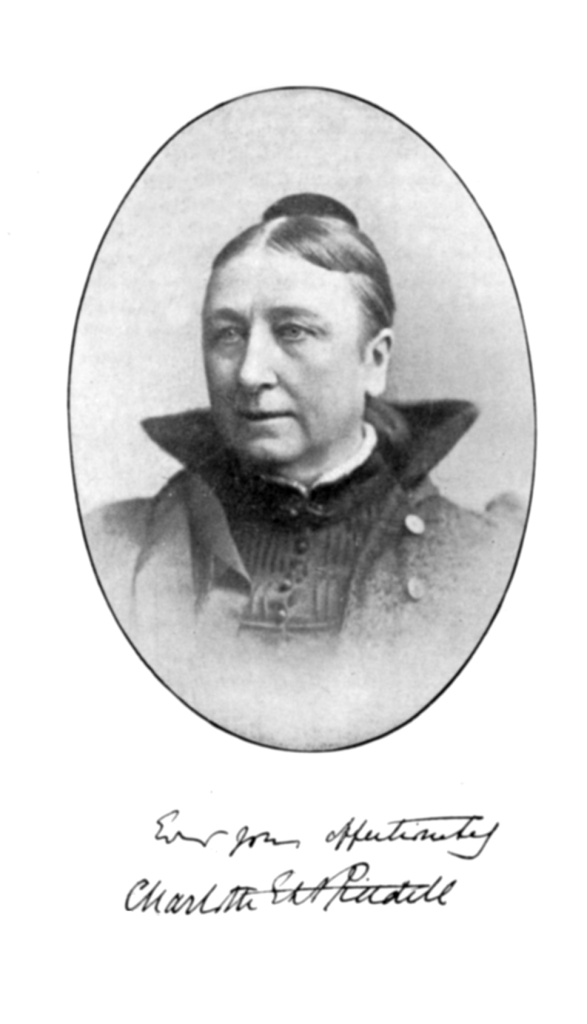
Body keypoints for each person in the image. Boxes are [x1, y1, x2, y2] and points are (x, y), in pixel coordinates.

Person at [85, 193, 524, 750]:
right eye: (227, 334)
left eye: (293, 331)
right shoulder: (114, 554)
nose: (249, 373)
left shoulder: (488, 567)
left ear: (374, 361)